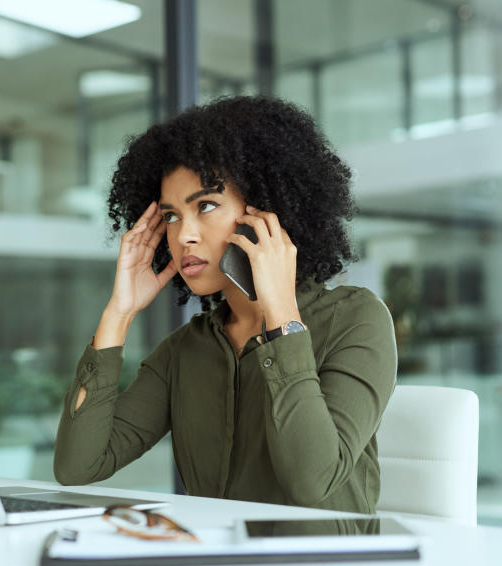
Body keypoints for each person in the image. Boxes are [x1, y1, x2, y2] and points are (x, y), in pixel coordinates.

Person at [53, 95, 397, 514]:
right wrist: (118, 313)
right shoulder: (185, 350)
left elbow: (314, 481)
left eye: (207, 206)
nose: (184, 236)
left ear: (267, 213)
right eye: (173, 216)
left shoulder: (356, 319)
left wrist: (282, 317)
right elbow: (78, 466)